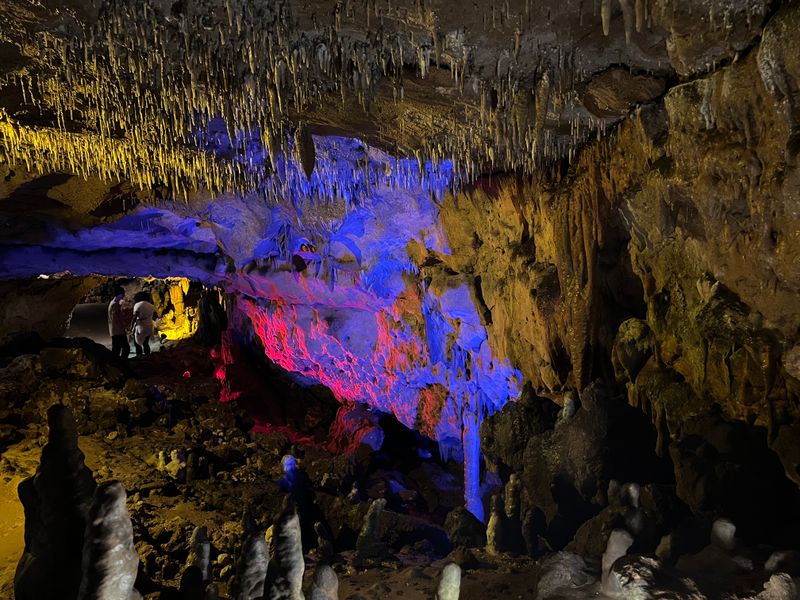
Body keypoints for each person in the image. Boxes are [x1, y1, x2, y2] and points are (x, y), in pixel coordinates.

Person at [131, 291, 158, 356]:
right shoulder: (151, 306)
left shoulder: (137, 305)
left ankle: (139, 357)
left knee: (137, 343)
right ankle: (147, 356)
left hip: (140, 326)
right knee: (146, 343)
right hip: (149, 326)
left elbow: (135, 317)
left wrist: (131, 327)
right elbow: (155, 316)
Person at [108, 286, 130, 359]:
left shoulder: (114, 304)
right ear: (120, 294)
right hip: (118, 331)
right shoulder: (115, 305)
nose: (123, 296)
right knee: (125, 348)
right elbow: (115, 319)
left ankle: (117, 364)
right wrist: (125, 319)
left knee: (117, 349)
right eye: (123, 294)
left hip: (115, 331)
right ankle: (121, 363)